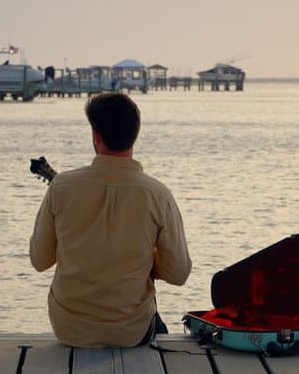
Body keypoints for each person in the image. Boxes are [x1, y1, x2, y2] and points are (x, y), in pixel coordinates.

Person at [30, 92, 191, 347]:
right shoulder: (158, 194)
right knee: (159, 326)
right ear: (135, 135)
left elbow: (39, 261)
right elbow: (179, 274)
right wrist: (146, 259)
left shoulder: (60, 187)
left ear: (96, 136)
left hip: (69, 330)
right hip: (131, 333)